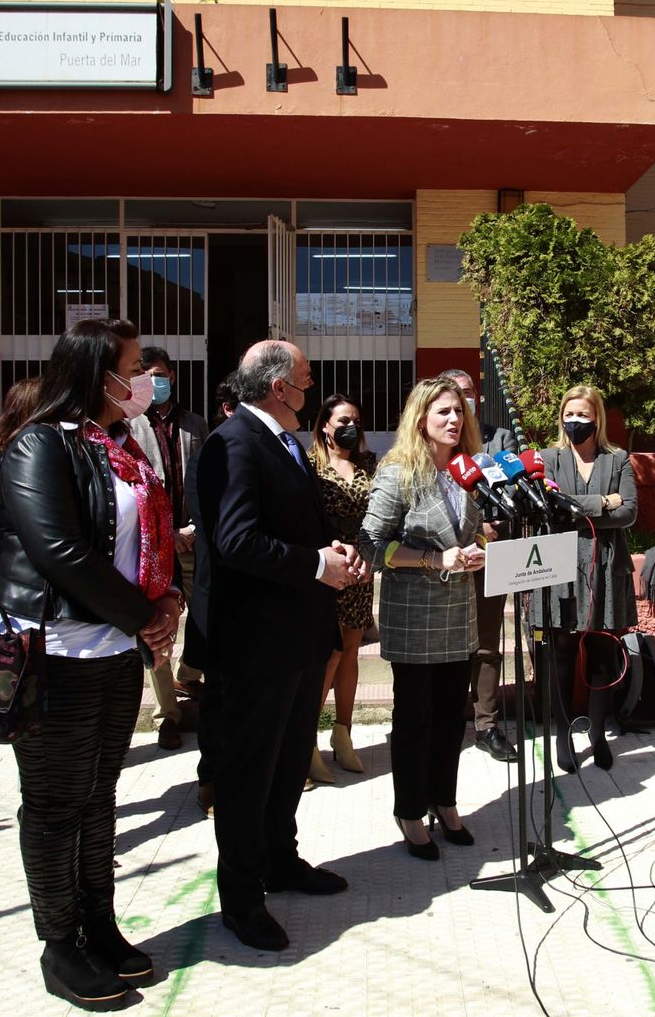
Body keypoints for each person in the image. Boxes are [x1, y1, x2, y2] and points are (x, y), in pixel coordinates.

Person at [0, 318, 183, 1009]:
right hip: (54, 651)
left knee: (99, 797)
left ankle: (100, 924)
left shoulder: (119, 447)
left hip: (115, 650)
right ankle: (59, 944)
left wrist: (166, 595)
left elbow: (146, 539)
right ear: (100, 374)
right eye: (134, 365)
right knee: (54, 803)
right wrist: (142, 615)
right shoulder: (40, 444)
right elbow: (59, 551)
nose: (145, 379)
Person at [193, 340, 361, 952]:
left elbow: (294, 526)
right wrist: (316, 564)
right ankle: (242, 900)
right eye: (306, 380)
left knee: (289, 762)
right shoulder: (234, 443)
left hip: (299, 637)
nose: (311, 390)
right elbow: (235, 541)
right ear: (277, 387)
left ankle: (280, 861)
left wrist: (333, 553)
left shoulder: (284, 442)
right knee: (249, 774)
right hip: (255, 645)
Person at [358, 376, 486, 861]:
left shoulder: (467, 469)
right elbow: (372, 544)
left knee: (453, 717)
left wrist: (480, 548)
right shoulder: (398, 473)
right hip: (413, 618)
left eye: (458, 411)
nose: (454, 419)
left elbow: (475, 531)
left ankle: (444, 801)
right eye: (443, 412)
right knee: (415, 719)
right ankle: (410, 812)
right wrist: (433, 559)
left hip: (458, 615)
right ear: (421, 419)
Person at [532, 384, 638, 772]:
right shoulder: (548, 459)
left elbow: (629, 513)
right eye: (569, 414)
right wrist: (604, 502)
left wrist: (576, 509)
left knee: (602, 653)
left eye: (583, 415)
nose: (575, 421)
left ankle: (597, 734)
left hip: (605, 566)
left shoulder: (618, 459)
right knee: (560, 652)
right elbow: (550, 510)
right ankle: (563, 734)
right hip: (560, 565)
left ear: (597, 419)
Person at [127, 346, 209, 751]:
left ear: (172, 376)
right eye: (146, 376)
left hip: (193, 538)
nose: (154, 382)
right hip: (153, 545)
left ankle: (189, 675)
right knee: (157, 628)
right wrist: (165, 532)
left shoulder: (194, 424)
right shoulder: (128, 426)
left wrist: (191, 528)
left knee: (205, 615)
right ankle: (167, 716)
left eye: (159, 375)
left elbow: (209, 479)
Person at [439, 367, 520, 762]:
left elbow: (511, 495)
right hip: (445, 559)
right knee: (449, 645)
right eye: (454, 393)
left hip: (488, 554)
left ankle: (486, 725)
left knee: (487, 643)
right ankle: (449, 720)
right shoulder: (433, 444)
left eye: (468, 392)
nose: (463, 400)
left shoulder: (499, 439)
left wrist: (487, 531)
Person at [307, 393, 378, 785]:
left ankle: (343, 732)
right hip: (328, 570)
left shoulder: (368, 464)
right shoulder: (310, 464)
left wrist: (369, 558)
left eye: (355, 420)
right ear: (325, 425)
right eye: (343, 421)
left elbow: (379, 516)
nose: (351, 426)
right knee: (327, 656)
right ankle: (307, 740)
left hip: (361, 572)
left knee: (351, 651)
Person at [186, 380, 239, 818]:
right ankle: (212, 780)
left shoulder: (280, 448)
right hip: (221, 595)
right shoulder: (211, 454)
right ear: (227, 409)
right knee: (219, 697)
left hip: (264, 605)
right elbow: (219, 533)